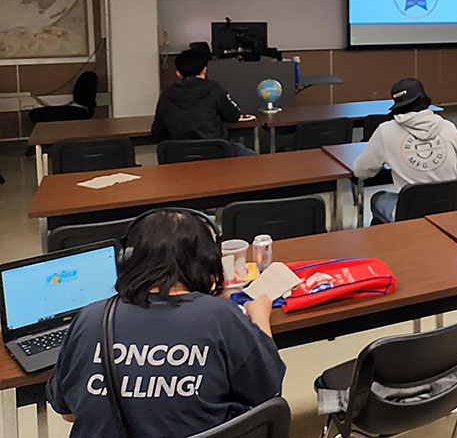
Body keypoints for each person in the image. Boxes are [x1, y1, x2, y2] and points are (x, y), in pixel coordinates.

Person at [46, 209, 285, 437]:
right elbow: (268, 392)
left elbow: (68, 412)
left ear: (129, 259)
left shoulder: (91, 318)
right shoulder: (220, 315)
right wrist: (260, 316)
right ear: (208, 261)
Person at [353, 78, 457, 223]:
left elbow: (360, 171)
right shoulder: (449, 126)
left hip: (413, 214)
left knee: (378, 198)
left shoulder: (385, 131)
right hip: (451, 210)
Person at [151, 49, 255, 156]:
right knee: (250, 155)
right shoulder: (214, 89)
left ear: (178, 73)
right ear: (204, 70)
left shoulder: (166, 95)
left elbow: (157, 133)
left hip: (179, 154)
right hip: (216, 151)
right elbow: (233, 116)